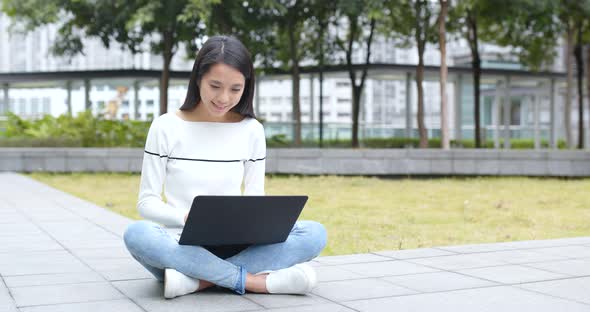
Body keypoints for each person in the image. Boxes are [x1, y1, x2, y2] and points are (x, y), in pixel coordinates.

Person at [123, 35, 328, 299]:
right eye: (215, 86)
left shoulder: (251, 130)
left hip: (238, 244)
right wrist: (184, 218)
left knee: (314, 233)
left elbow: (255, 196)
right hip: (181, 245)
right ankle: (256, 282)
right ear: (198, 79)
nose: (223, 98)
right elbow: (146, 202)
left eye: (235, 89)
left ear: (246, 87)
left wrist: (256, 224)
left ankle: (195, 282)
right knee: (137, 234)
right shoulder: (165, 127)